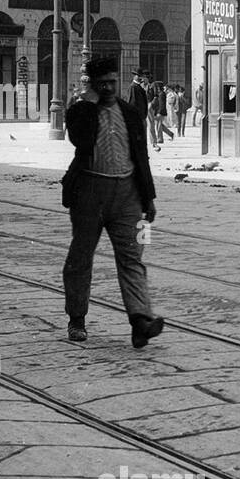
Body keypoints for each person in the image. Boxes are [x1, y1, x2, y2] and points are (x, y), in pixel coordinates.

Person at [60, 56, 164, 347]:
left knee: (132, 258)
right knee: (81, 258)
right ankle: (77, 319)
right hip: (89, 192)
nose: (108, 88)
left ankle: (140, 320)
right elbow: (81, 139)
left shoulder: (130, 113)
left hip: (127, 193)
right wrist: (89, 102)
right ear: (92, 85)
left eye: (112, 82)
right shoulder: (80, 111)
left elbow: (141, 157)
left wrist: (149, 198)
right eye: (102, 83)